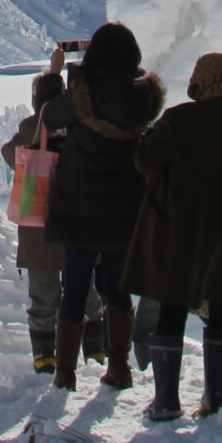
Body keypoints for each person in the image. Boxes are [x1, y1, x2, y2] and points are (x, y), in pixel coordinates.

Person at [125, 52, 222, 421]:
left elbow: (145, 162)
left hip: (180, 225)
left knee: (172, 306)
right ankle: (215, 400)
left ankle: (166, 402)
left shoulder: (179, 119)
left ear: (199, 84)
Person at [40, 22, 164, 392]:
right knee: (118, 290)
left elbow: (49, 117)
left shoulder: (82, 92)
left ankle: (65, 373)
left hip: (80, 209)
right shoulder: (144, 97)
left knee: (74, 290)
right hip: (125, 209)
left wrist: (57, 75)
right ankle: (120, 367)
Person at [0, 46, 106, 373]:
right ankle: (96, 354)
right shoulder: (79, 125)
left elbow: (9, 153)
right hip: (77, 222)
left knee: (43, 297)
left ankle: (45, 358)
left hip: (38, 225)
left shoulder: (33, 128)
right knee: (87, 292)